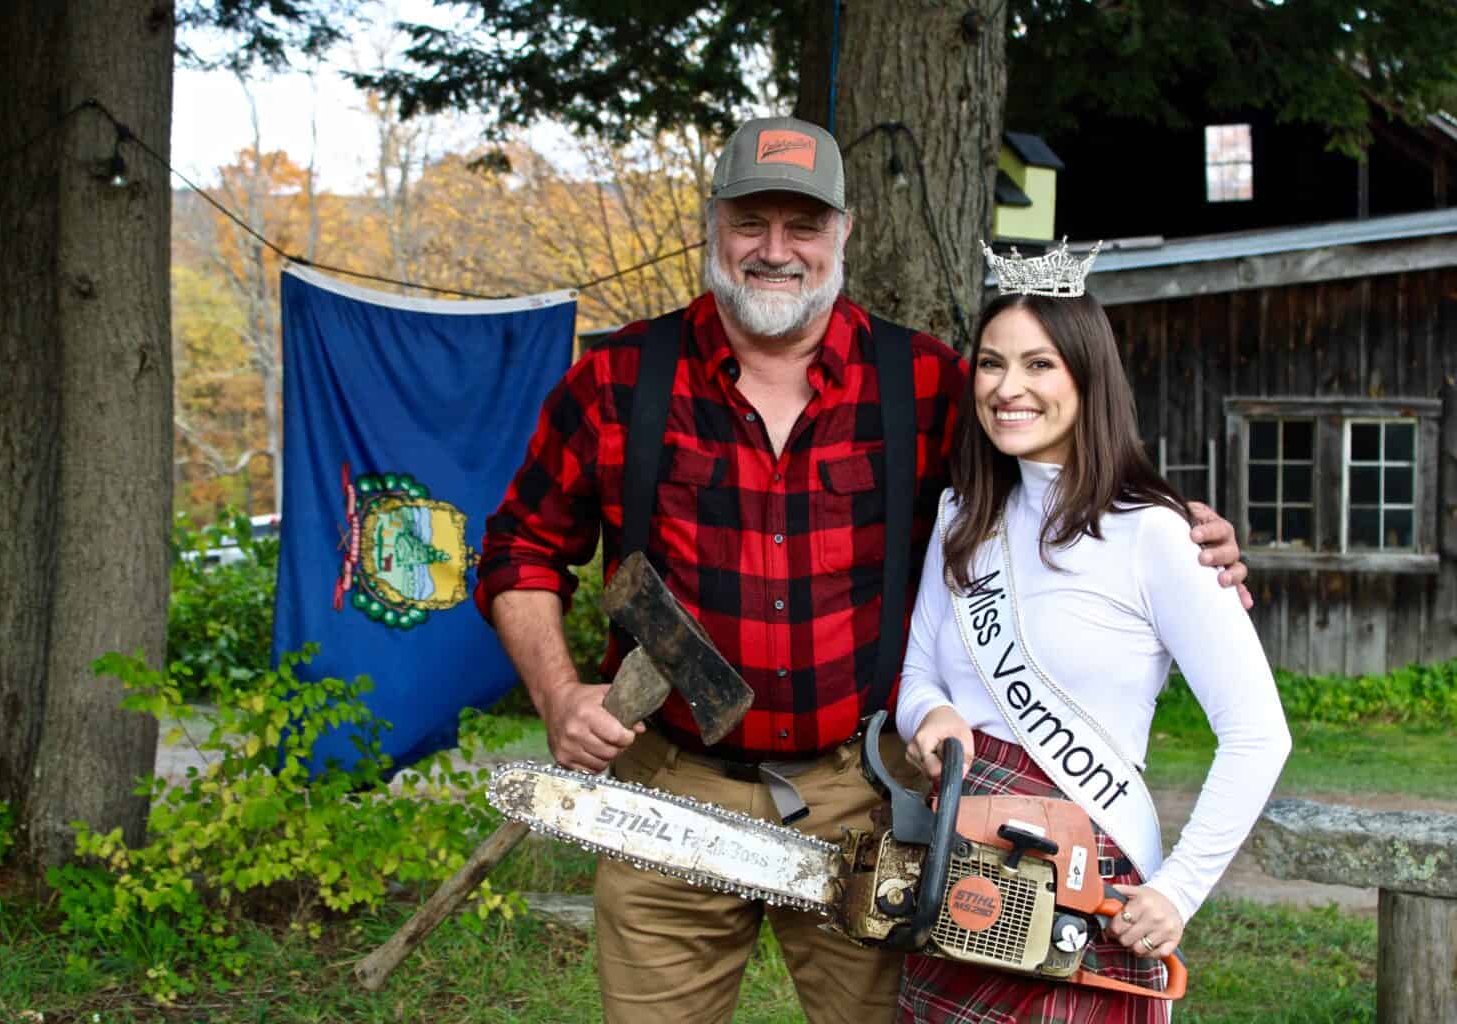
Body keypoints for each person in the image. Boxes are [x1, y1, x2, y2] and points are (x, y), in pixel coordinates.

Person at [475, 116, 1249, 1024]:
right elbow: (519, 547)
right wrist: (560, 692)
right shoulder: (618, 378)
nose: (775, 250)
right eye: (750, 222)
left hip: (871, 795)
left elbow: (1051, 485)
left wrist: (1178, 532)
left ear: (843, 233)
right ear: (712, 224)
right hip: (668, 790)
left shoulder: (921, 382)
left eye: (802, 225)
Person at [894, 242, 1292, 1023]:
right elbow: (918, 676)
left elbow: (1258, 735)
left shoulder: (1156, 534)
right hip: (962, 865)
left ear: (1086, 375)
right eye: (990, 364)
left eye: (1039, 366)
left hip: (1085, 872)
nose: (1009, 389)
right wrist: (931, 717)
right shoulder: (959, 517)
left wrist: (1177, 890)